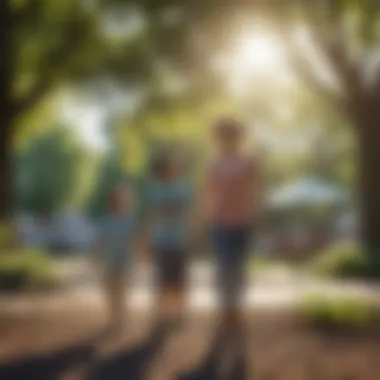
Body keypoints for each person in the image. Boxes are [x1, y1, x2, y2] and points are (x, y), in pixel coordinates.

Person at [202, 117, 263, 334]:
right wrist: (205, 218)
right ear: (218, 138)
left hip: (243, 221)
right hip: (220, 222)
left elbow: (254, 192)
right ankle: (225, 309)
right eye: (223, 136)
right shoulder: (213, 164)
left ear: (239, 137)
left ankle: (236, 309)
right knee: (224, 266)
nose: (227, 140)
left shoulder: (248, 162)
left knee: (238, 267)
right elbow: (209, 193)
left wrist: (257, 217)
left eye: (232, 136)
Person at [144, 150, 193, 328]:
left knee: (179, 280)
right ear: (161, 170)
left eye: (173, 167)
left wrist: (194, 234)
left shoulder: (184, 189)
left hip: (180, 240)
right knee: (163, 280)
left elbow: (190, 214)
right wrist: (146, 241)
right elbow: (152, 216)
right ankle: (163, 314)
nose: (170, 170)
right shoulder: (155, 190)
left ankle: (179, 314)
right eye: (167, 167)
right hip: (162, 241)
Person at [95, 185, 135, 330]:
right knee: (111, 290)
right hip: (110, 261)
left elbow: (134, 240)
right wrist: (97, 256)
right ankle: (114, 315)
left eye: (123, 200)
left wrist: (138, 255)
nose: (120, 203)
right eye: (117, 200)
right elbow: (101, 240)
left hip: (124, 261)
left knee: (122, 289)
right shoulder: (107, 220)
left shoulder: (130, 221)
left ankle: (121, 315)